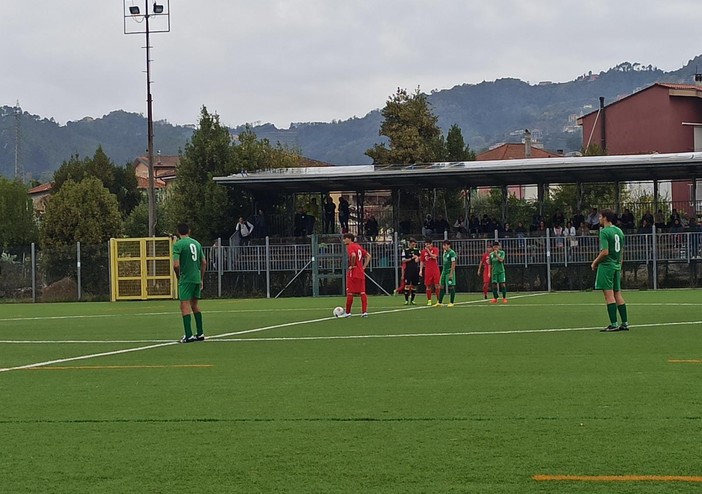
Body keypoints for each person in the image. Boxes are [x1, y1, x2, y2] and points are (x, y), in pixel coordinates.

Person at [591, 209, 629, 332]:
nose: (599, 219)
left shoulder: (605, 232)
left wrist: (595, 262)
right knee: (617, 293)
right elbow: (621, 251)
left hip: (607, 266)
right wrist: (619, 263)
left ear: (606, 218)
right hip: (616, 265)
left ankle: (613, 324)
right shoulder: (619, 231)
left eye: (600, 217)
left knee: (609, 295)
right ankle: (625, 323)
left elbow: (605, 252)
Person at [172, 223, 206, 343]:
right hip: (196, 277)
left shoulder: (178, 245)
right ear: (189, 231)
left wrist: (178, 276)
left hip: (186, 278)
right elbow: (204, 262)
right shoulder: (197, 243)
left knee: (184, 305)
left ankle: (188, 335)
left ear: (178, 232)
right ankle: (200, 333)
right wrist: (201, 278)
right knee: (195, 304)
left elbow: (176, 265)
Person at [342, 232, 371, 317]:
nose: (343, 240)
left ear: (349, 239)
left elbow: (353, 255)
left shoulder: (350, 246)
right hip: (360, 272)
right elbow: (368, 256)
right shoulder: (358, 246)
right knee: (362, 292)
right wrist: (363, 267)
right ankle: (364, 312)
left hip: (353, 272)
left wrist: (352, 265)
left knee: (350, 293)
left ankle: (348, 313)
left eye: (344, 238)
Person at [435, 240, 457, 307]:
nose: (444, 247)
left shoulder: (452, 253)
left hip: (449, 271)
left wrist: (451, 273)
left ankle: (451, 302)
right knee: (441, 286)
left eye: (445, 245)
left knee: (451, 286)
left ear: (449, 245)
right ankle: (440, 302)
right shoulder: (444, 252)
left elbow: (453, 263)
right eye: (443, 245)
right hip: (444, 271)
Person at [419, 238, 441, 305]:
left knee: (437, 285)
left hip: (435, 269)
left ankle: (438, 300)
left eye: (428, 244)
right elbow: (422, 261)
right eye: (426, 244)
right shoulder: (423, 252)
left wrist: (428, 251)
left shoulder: (435, 249)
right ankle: (429, 300)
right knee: (428, 285)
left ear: (431, 244)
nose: (427, 245)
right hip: (427, 270)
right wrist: (420, 270)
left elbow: (434, 257)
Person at [401, 238, 421, 305]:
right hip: (408, 269)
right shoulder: (405, 251)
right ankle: (406, 300)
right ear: (409, 244)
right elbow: (403, 260)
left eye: (415, 244)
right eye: (412, 244)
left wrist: (418, 258)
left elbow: (421, 257)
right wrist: (411, 258)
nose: (414, 246)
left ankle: (412, 300)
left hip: (415, 270)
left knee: (414, 285)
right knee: (407, 285)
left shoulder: (417, 250)